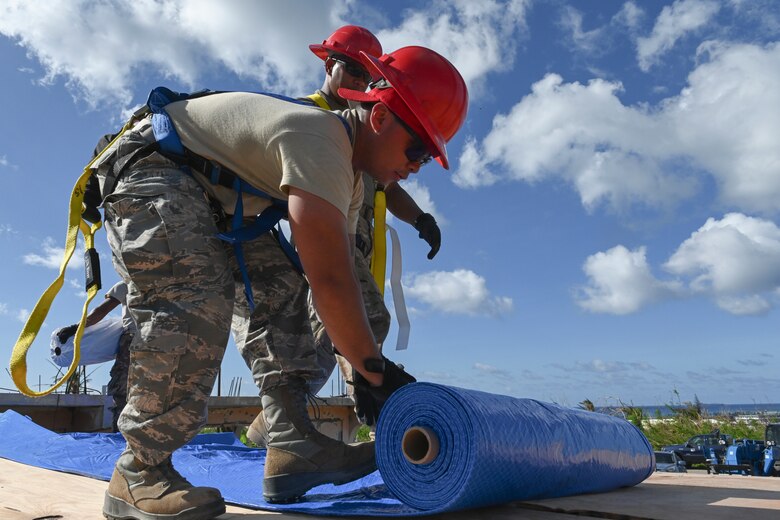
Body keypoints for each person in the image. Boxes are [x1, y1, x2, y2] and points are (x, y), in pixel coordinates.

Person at [94, 44, 468, 520]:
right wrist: (377, 375)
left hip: (216, 198)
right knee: (195, 300)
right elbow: (329, 279)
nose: (416, 166)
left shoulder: (351, 177)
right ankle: (140, 470)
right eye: (417, 149)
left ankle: (291, 444)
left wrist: (368, 362)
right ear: (379, 119)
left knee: (285, 300)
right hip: (153, 171)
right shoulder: (319, 136)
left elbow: (339, 280)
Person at [302, 26, 442, 396]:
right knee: (357, 326)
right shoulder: (307, 117)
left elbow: (388, 188)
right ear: (330, 65)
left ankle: (279, 425)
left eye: (368, 76)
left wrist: (420, 219)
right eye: (352, 70)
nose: (360, 81)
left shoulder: (368, 126)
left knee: (333, 340)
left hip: (357, 250)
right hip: (320, 243)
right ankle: (374, 413)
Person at [56, 281, 134, 432]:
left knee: (121, 390)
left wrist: (76, 328)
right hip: (169, 341)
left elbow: (101, 311)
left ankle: (122, 437)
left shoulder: (127, 283)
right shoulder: (169, 281)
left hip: (134, 340)